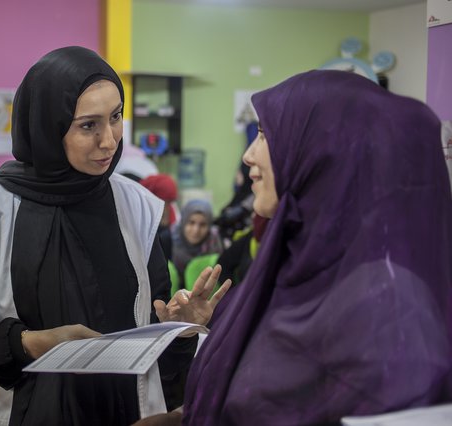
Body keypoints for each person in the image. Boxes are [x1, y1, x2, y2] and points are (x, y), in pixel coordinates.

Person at [0, 46, 230, 426]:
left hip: (127, 412)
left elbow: (154, 343)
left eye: (116, 117)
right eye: (89, 125)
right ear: (48, 127)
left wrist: (180, 328)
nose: (109, 141)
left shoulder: (138, 206)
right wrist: (31, 343)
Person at [137, 69, 452, 425]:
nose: (248, 156)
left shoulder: (388, 308)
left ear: (323, 155)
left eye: (265, 135)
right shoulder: (293, 268)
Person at [171, 199, 223, 285]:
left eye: (202, 224)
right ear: (183, 222)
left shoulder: (214, 241)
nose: (196, 230)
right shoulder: (169, 240)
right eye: (191, 222)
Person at [140, 174, 179, 260]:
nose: (167, 207)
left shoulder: (170, 211)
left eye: (170, 202)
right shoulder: (140, 214)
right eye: (165, 201)